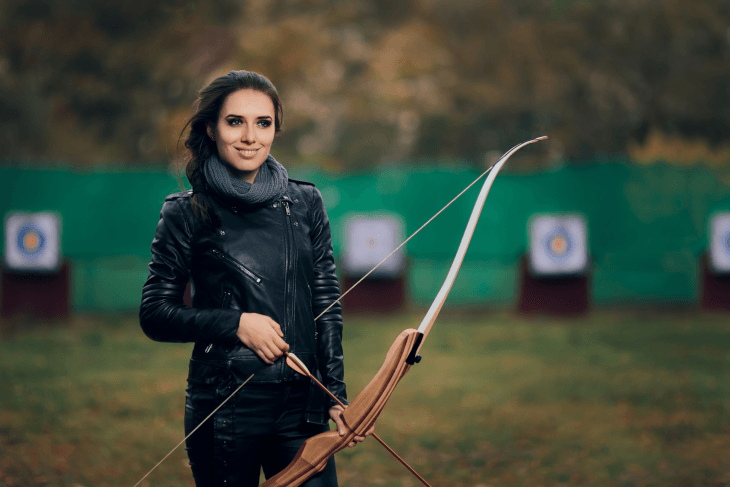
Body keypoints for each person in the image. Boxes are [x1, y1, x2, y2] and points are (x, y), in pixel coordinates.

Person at [139, 70, 367, 486]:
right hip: (225, 406)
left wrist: (335, 394)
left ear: (276, 129)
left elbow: (325, 301)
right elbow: (155, 313)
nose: (250, 136)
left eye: (263, 123)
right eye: (235, 121)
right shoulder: (185, 212)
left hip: (302, 408)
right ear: (211, 128)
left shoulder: (305, 202)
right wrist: (236, 323)